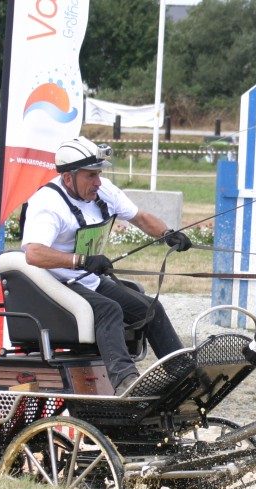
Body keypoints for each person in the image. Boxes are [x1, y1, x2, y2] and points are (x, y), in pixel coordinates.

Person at [21, 136, 192, 394]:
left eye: (99, 174)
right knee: (108, 309)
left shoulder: (104, 191)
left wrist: (168, 234)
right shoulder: (48, 204)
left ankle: (184, 375)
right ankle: (125, 381)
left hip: (88, 279)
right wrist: (82, 260)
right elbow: (33, 253)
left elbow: (141, 218)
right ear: (69, 177)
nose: (98, 182)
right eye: (91, 176)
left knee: (150, 309)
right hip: (54, 284)